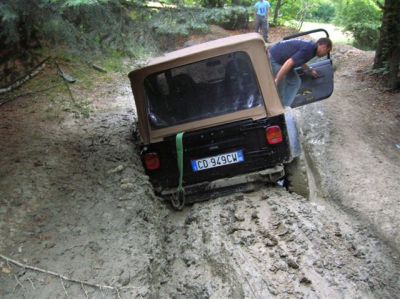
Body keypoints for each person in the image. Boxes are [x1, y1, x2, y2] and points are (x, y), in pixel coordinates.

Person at [268, 38, 332, 107]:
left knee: (295, 82)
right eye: (327, 51)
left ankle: (284, 106)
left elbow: (299, 60)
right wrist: (277, 79)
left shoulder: (312, 48)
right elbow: (289, 62)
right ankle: (277, 109)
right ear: (323, 47)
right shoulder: (310, 49)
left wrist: (310, 70)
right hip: (276, 59)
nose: (325, 54)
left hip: (281, 59)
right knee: (279, 88)